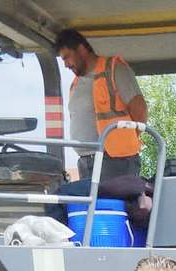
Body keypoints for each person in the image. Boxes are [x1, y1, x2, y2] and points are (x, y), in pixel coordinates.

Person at [56, 28, 148, 181]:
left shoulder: (113, 69)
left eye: (67, 57)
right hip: (86, 162)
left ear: (81, 49)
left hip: (114, 161)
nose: (66, 65)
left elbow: (140, 109)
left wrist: (125, 141)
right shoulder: (75, 83)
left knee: (109, 205)